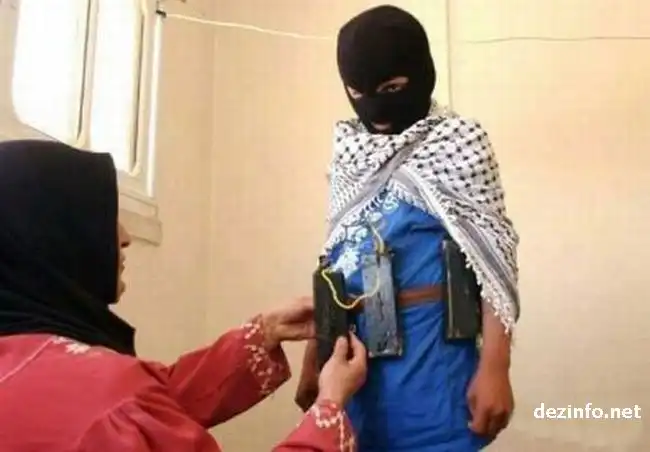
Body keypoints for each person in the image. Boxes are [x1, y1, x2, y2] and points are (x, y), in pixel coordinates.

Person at [0, 139, 366, 451]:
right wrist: (329, 409)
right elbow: (129, 408)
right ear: (53, 238)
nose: (124, 237)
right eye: (103, 218)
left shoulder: (24, 362)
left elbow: (152, 405)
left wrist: (264, 333)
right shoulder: (110, 401)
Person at [295, 5, 520, 451]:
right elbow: (339, 259)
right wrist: (315, 354)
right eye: (357, 92)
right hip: (354, 371)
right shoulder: (350, 153)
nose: (376, 109)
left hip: (434, 367)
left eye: (392, 89)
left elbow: (495, 262)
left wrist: (496, 366)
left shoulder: (460, 143)